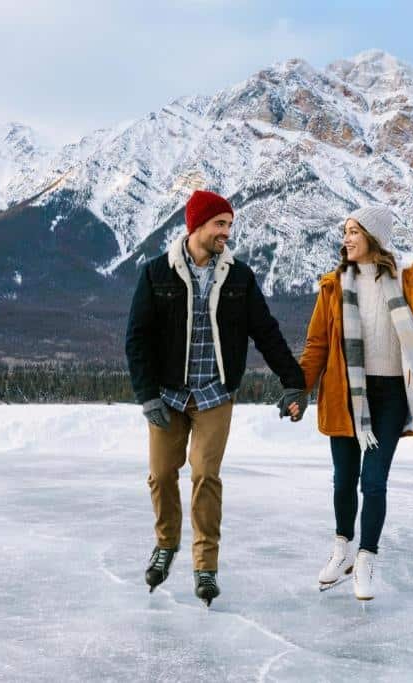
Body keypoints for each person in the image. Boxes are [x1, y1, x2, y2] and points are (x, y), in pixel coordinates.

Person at [125, 189, 307, 606]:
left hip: (214, 394)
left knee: (206, 475)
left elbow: (266, 332)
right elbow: (136, 339)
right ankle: (166, 543)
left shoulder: (239, 278)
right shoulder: (157, 274)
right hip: (168, 396)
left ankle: (205, 566)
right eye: (219, 224)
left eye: (229, 224)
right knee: (161, 473)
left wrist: (292, 381)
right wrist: (147, 395)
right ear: (197, 226)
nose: (227, 232)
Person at [298, 206, 413, 601]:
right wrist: (299, 388)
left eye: (354, 232)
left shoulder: (410, 284)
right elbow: (316, 345)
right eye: (345, 232)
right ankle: (342, 550)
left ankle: (366, 558)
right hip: (344, 395)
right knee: (343, 478)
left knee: (374, 480)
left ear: (374, 237)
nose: (346, 239)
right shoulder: (333, 286)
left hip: (392, 396)